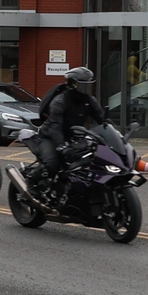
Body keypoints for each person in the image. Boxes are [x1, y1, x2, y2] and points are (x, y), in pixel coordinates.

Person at [29, 66, 106, 201]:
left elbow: (103, 120)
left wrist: (116, 136)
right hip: (50, 137)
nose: (86, 90)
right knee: (52, 164)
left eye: (89, 86)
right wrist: (62, 146)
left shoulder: (89, 100)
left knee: (90, 161)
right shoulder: (60, 101)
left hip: (74, 136)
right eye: (83, 86)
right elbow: (54, 127)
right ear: (72, 84)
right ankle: (31, 181)